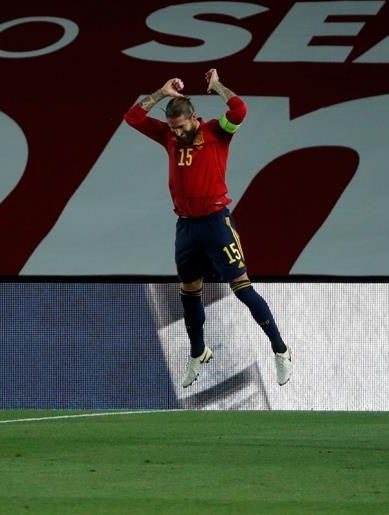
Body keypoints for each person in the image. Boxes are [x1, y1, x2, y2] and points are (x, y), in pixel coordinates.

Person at [124, 69, 293, 388]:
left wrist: (216, 86)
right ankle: (197, 352)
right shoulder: (169, 136)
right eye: (172, 127)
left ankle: (280, 349)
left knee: (241, 287)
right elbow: (132, 117)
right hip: (187, 228)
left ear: (194, 118)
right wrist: (160, 93)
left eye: (181, 126)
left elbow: (239, 110)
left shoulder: (218, 131)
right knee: (189, 294)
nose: (176, 132)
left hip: (216, 223)